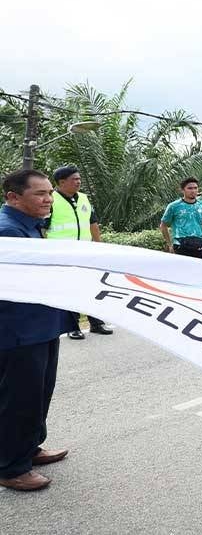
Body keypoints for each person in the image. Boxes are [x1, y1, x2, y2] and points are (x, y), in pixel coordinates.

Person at [0, 169, 75, 491]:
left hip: (40, 326)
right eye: (40, 194)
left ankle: (29, 448)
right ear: (13, 197)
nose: (49, 199)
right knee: (19, 398)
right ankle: (11, 466)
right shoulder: (7, 233)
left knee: (39, 392)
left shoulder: (28, 227)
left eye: (49, 193)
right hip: (18, 331)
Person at [46, 165, 112, 340]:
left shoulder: (83, 198)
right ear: (61, 182)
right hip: (62, 255)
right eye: (74, 179)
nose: (78, 182)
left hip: (86, 253)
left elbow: (93, 223)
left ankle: (96, 323)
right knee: (69, 290)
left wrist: (99, 245)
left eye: (79, 179)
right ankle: (72, 326)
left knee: (91, 287)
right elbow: (43, 228)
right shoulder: (51, 200)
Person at [159, 177, 202, 259]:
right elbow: (163, 226)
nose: (193, 191)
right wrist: (170, 245)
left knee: (199, 271)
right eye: (190, 188)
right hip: (180, 245)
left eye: (195, 188)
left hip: (199, 245)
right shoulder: (173, 206)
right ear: (183, 190)